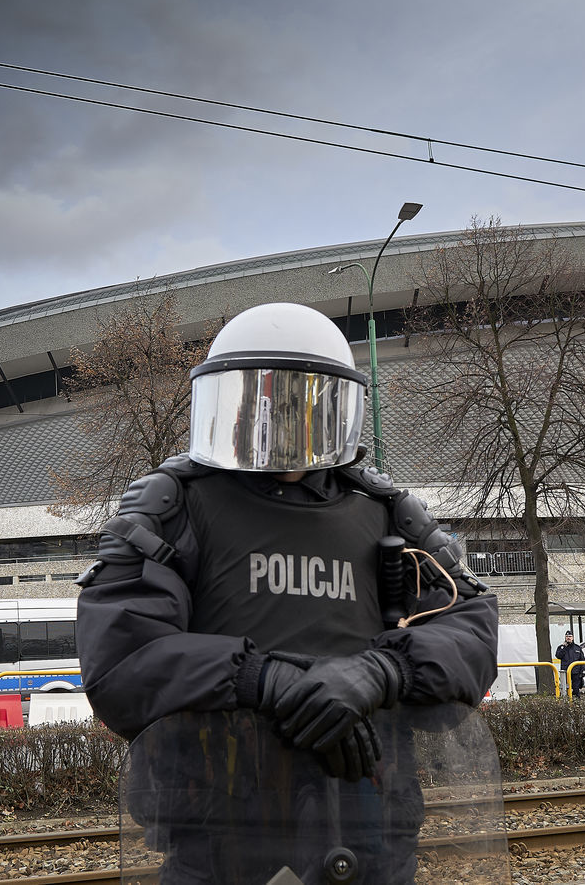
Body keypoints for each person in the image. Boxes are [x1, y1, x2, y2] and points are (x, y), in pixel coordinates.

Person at [74, 302, 500, 883]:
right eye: (258, 400)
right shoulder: (171, 510)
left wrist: (384, 672)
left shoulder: (389, 515)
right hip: (221, 838)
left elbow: (472, 632)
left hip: (368, 824)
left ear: (334, 407)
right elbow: (121, 665)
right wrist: (260, 679)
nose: (276, 420)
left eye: (298, 402)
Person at [555, 631, 585, 698]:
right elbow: (558, 656)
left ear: (572, 638)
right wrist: (564, 647)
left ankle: (576, 703)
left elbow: (582, 660)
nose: (568, 638)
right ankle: (566, 702)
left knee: (576, 689)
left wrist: (583, 671)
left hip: (576, 672)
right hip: (565, 672)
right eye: (567, 636)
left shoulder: (577, 648)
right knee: (565, 689)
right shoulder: (561, 647)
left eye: (570, 636)